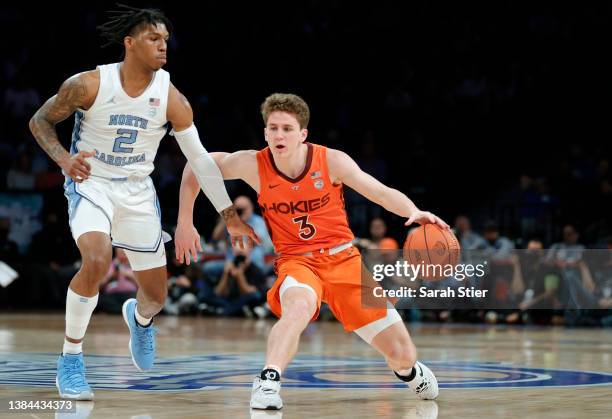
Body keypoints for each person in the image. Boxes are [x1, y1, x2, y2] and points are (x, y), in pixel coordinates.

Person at [28, 5, 258, 400]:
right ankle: (70, 358)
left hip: (137, 191)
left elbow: (201, 161)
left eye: (166, 39)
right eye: (154, 38)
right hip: (92, 184)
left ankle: (140, 319)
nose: (163, 45)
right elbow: (40, 121)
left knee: (157, 297)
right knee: (97, 260)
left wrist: (230, 216)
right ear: (130, 43)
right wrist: (64, 160)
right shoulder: (89, 84)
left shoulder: (172, 99)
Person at [175, 93, 448, 410]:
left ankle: (410, 372)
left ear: (302, 134)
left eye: (287, 129)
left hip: (344, 260)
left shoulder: (331, 160)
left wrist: (414, 210)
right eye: (273, 128)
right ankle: (268, 381)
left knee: (402, 355)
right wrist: (190, 222)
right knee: (299, 307)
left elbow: (380, 191)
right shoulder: (252, 163)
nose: (279, 135)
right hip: (297, 262)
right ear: (265, 132)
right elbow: (195, 167)